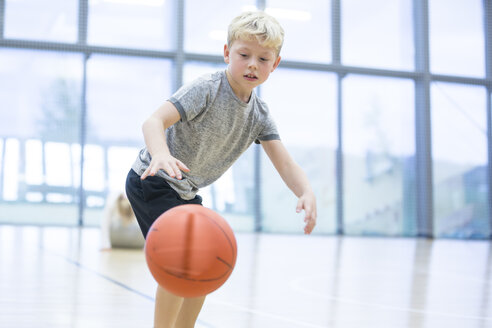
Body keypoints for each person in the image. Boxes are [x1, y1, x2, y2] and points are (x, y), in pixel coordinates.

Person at [125, 10, 317, 328]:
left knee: (200, 269)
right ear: (227, 53)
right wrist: (160, 154)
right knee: (180, 265)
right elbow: (153, 121)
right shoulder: (208, 89)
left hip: (183, 191)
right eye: (244, 55)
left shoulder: (259, 116)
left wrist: (306, 191)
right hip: (153, 179)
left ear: (275, 64)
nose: (253, 64)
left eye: (263, 59)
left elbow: (285, 163)